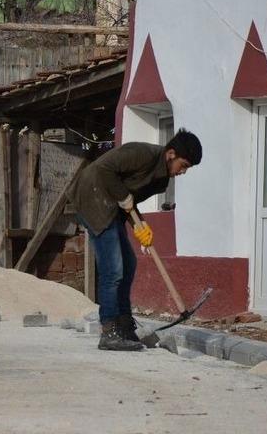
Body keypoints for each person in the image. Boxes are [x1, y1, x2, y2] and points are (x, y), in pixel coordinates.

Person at [68, 129, 202, 351]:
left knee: (129, 264)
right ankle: (109, 330)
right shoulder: (141, 153)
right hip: (92, 197)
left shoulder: (160, 181)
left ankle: (124, 325)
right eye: (184, 165)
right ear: (171, 154)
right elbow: (104, 169)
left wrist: (140, 225)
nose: (183, 172)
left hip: (111, 207)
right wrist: (124, 198)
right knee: (113, 269)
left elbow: (129, 203)